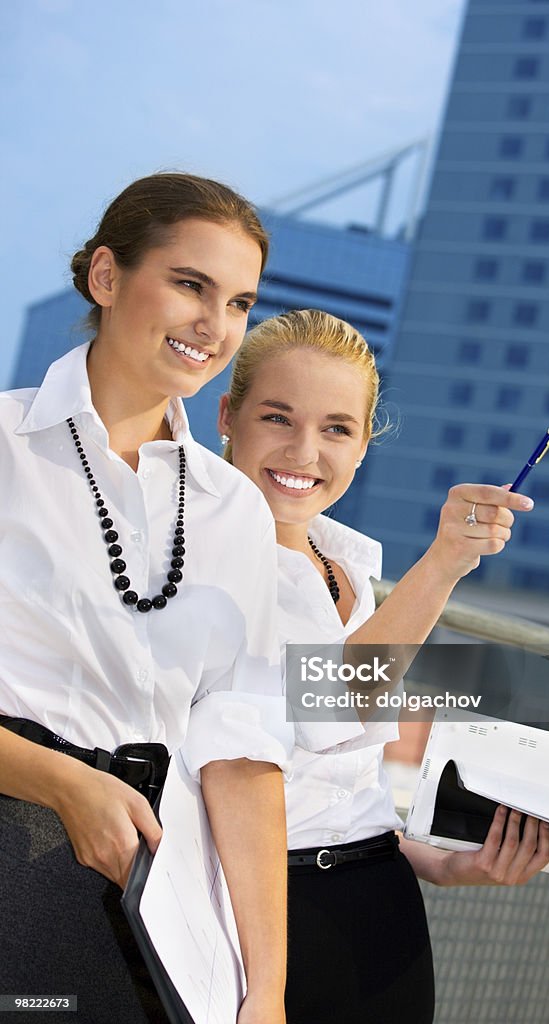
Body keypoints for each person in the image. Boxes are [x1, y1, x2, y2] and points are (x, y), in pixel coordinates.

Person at [0, 173, 292, 1024]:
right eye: (190, 285)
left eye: (238, 302)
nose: (215, 324)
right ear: (105, 278)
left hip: (152, 880)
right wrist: (60, 783)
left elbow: (242, 757)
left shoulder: (234, 508)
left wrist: (265, 988)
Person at [218, 308, 549, 1024]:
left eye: (337, 428)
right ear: (228, 416)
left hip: (380, 906)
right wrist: (445, 564)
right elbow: (327, 707)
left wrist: (444, 864)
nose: (305, 451)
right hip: (258, 923)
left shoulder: (346, 565)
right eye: (278, 417)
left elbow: (337, 780)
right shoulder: (205, 560)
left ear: (365, 444)